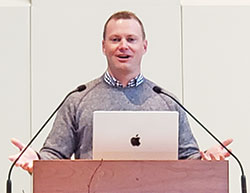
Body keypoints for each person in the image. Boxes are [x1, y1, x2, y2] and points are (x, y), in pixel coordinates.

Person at [9, 11, 233, 174]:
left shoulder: (166, 101)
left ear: (144, 46)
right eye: (115, 39)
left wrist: (206, 160)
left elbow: (188, 159)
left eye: (131, 39)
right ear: (103, 46)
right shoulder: (77, 99)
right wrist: (36, 161)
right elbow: (55, 156)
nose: (123, 46)